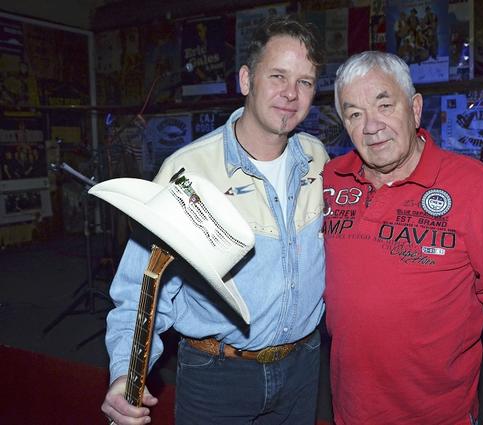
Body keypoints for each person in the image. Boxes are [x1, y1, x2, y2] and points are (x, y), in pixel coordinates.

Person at [102, 15, 328, 425]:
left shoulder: (318, 159)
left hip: (303, 367)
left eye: (306, 82)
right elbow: (141, 288)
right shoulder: (188, 171)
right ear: (246, 80)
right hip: (217, 375)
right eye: (277, 75)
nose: (291, 94)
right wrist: (124, 375)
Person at [323, 51, 483, 425]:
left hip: (439, 416)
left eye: (384, 105)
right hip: (350, 413)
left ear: (415, 108)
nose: (371, 126)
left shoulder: (472, 185)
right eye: (354, 114)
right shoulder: (328, 181)